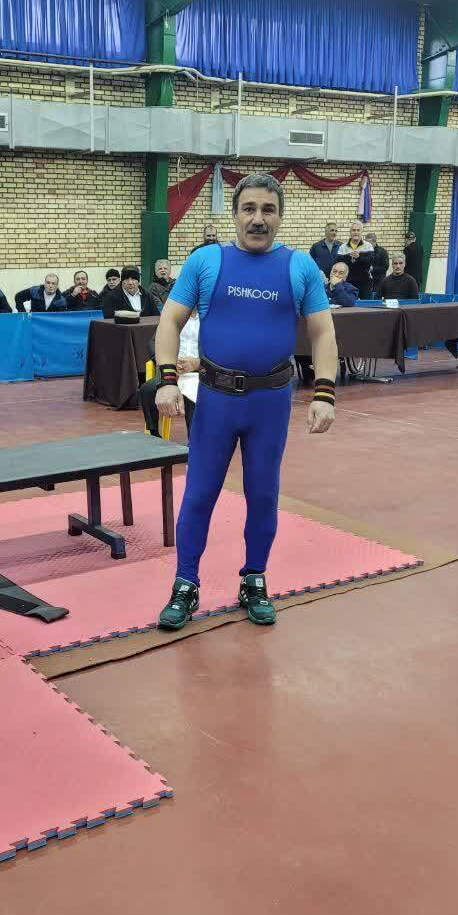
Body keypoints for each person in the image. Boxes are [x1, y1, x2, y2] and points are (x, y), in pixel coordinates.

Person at [154, 173, 337, 629]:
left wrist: (325, 392)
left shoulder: (300, 267)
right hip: (216, 400)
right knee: (199, 494)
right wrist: (167, 380)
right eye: (249, 209)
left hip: (269, 404)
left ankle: (254, 578)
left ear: (280, 216)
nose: (258, 219)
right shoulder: (206, 261)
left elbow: (323, 332)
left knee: (263, 495)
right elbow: (169, 321)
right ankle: (185, 583)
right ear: (234, 215)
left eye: (268, 210)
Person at [295, 262, 357, 384]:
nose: (336, 275)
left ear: (345, 276)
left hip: (339, 329)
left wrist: (338, 286)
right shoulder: (320, 287)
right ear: (330, 272)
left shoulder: (351, 288)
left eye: (341, 273)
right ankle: (308, 370)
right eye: (334, 271)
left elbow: (348, 302)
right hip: (318, 324)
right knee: (303, 338)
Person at [139, 312, 198, 437]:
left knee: (192, 396)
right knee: (147, 389)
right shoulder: (173, 316)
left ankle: (193, 441)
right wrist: (169, 363)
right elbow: (153, 343)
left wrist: (197, 364)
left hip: (198, 373)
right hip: (172, 371)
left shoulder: (208, 319)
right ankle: (154, 433)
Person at [336, 221, 375, 299]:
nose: (356, 232)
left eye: (358, 230)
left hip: (364, 282)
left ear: (361, 232)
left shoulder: (368, 246)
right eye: (353, 230)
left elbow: (370, 262)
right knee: (349, 304)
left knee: (367, 304)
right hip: (348, 282)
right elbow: (339, 264)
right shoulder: (343, 247)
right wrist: (349, 257)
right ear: (350, 232)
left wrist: (358, 257)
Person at [368, 232, 389, 298]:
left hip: (379, 281)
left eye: (369, 243)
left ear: (374, 242)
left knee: (376, 298)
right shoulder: (365, 251)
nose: (367, 245)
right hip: (368, 281)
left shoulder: (382, 252)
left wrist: (373, 269)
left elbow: (385, 267)